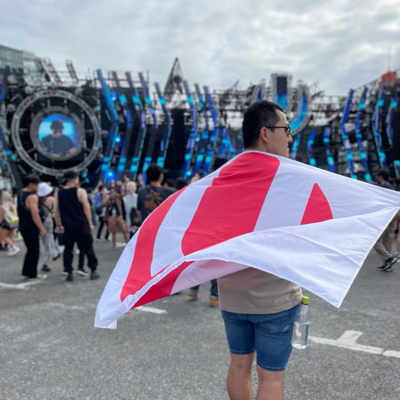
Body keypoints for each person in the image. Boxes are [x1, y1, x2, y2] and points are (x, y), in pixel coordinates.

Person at [217, 101, 301, 400]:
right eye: (286, 129)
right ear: (266, 133)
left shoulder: (221, 179)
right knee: (271, 378)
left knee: (239, 365)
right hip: (274, 296)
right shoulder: (288, 180)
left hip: (231, 293)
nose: (289, 137)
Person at [188, 157, 228, 307]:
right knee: (216, 261)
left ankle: (194, 289)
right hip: (220, 228)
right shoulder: (229, 183)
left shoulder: (206, 182)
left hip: (203, 227)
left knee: (201, 258)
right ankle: (214, 295)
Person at [54, 171, 99, 282]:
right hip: (81, 224)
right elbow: (86, 207)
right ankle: (93, 269)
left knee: (68, 249)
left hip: (67, 226)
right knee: (88, 247)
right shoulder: (80, 191)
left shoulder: (58, 193)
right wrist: (90, 223)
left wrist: (59, 224)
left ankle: (69, 272)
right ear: (74, 179)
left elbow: (56, 210)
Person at [18, 174, 47, 279]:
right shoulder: (32, 196)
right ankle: (32, 273)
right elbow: (34, 214)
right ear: (31, 184)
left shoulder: (20, 193)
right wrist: (42, 228)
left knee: (30, 249)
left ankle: (26, 271)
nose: (37, 186)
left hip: (23, 225)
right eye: (36, 184)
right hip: (31, 226)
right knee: (34, 250)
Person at [373, 169, 397, 272]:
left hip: (385, 218)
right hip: (394, 217)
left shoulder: (382, 188)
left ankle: (388, 258)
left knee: (375, 241)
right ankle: (387, 264)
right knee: (387, 241)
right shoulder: (391, 187)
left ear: (381, 177)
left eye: (378, 176)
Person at [38, 182, 60, 272]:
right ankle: (50, 256)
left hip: (41, 220)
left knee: (46, 240)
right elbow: (56, 209)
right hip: (48, 219)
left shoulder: (39, 199)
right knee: (49, 238)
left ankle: (54, 252)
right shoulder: (51, 199)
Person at [0, 190, 20, 256]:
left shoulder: (2, 207)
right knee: (10, 236)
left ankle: (14, 247)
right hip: (13, 222)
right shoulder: (13, 206)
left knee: (5, 237)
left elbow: (1, 217)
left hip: (6, 223)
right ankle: (11, 249)